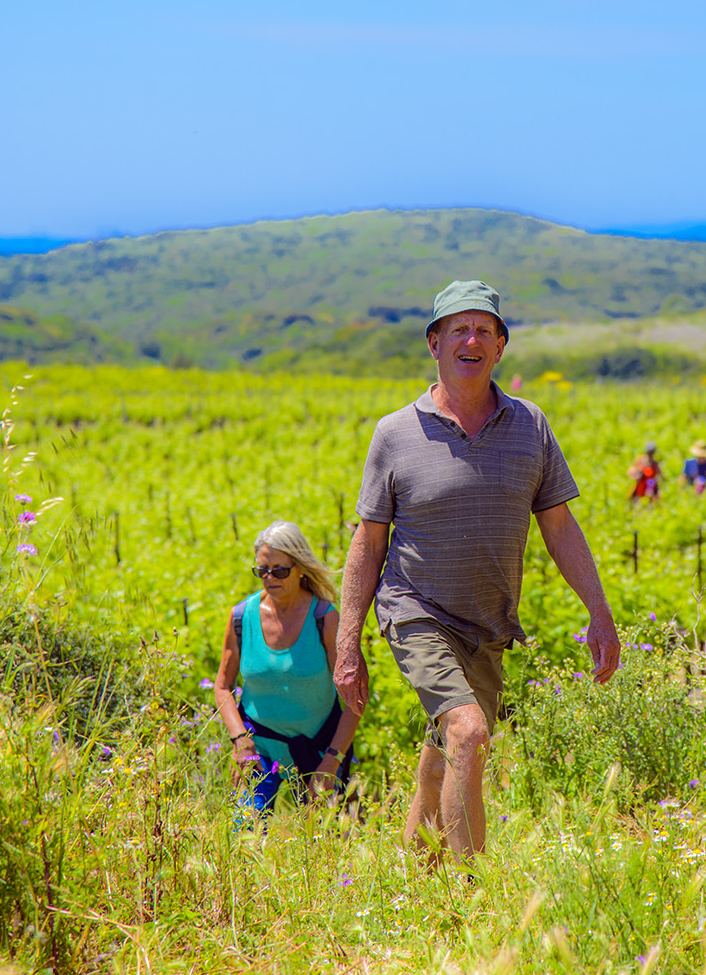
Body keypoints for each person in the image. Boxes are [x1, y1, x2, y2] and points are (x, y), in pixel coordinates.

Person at [333, 279, 622, 862]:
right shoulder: (395, 432)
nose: (472, 339)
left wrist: (600, 614)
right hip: (416, 609)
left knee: (443, 754)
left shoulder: (530, 425)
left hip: (489, 622)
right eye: (458, 329)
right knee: (468, 732)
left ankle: (413, 877)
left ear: (500, 347)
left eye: (484, 330)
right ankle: (472, 893)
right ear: (434, 343)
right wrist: (347, 642)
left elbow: (559, 527)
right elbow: (368, 541)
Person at [213, 520, 360, 818]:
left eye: (280, 570)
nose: (270, 578)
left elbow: (355, 698)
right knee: (246, 836)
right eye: (262, 570)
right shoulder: (241, 617)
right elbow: (222, 686)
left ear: (301, 567)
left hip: (319, 749)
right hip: (260, 750)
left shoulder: (325, 618)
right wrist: (240, 741)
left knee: (324, 848)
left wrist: (332, 762)